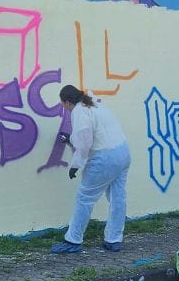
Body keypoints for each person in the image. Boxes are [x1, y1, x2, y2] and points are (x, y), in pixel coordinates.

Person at [51, 85, 131, 253]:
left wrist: (75, 165)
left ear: (67, 102)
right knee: (118, 198)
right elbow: (92, 133)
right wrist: (71, 139)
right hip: (123, 152)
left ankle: (73, 240)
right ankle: (114, 239)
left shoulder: (79, 112)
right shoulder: (94, 104)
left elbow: (85, 142)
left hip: (104, 158)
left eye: (62, 104)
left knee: (85, 198)